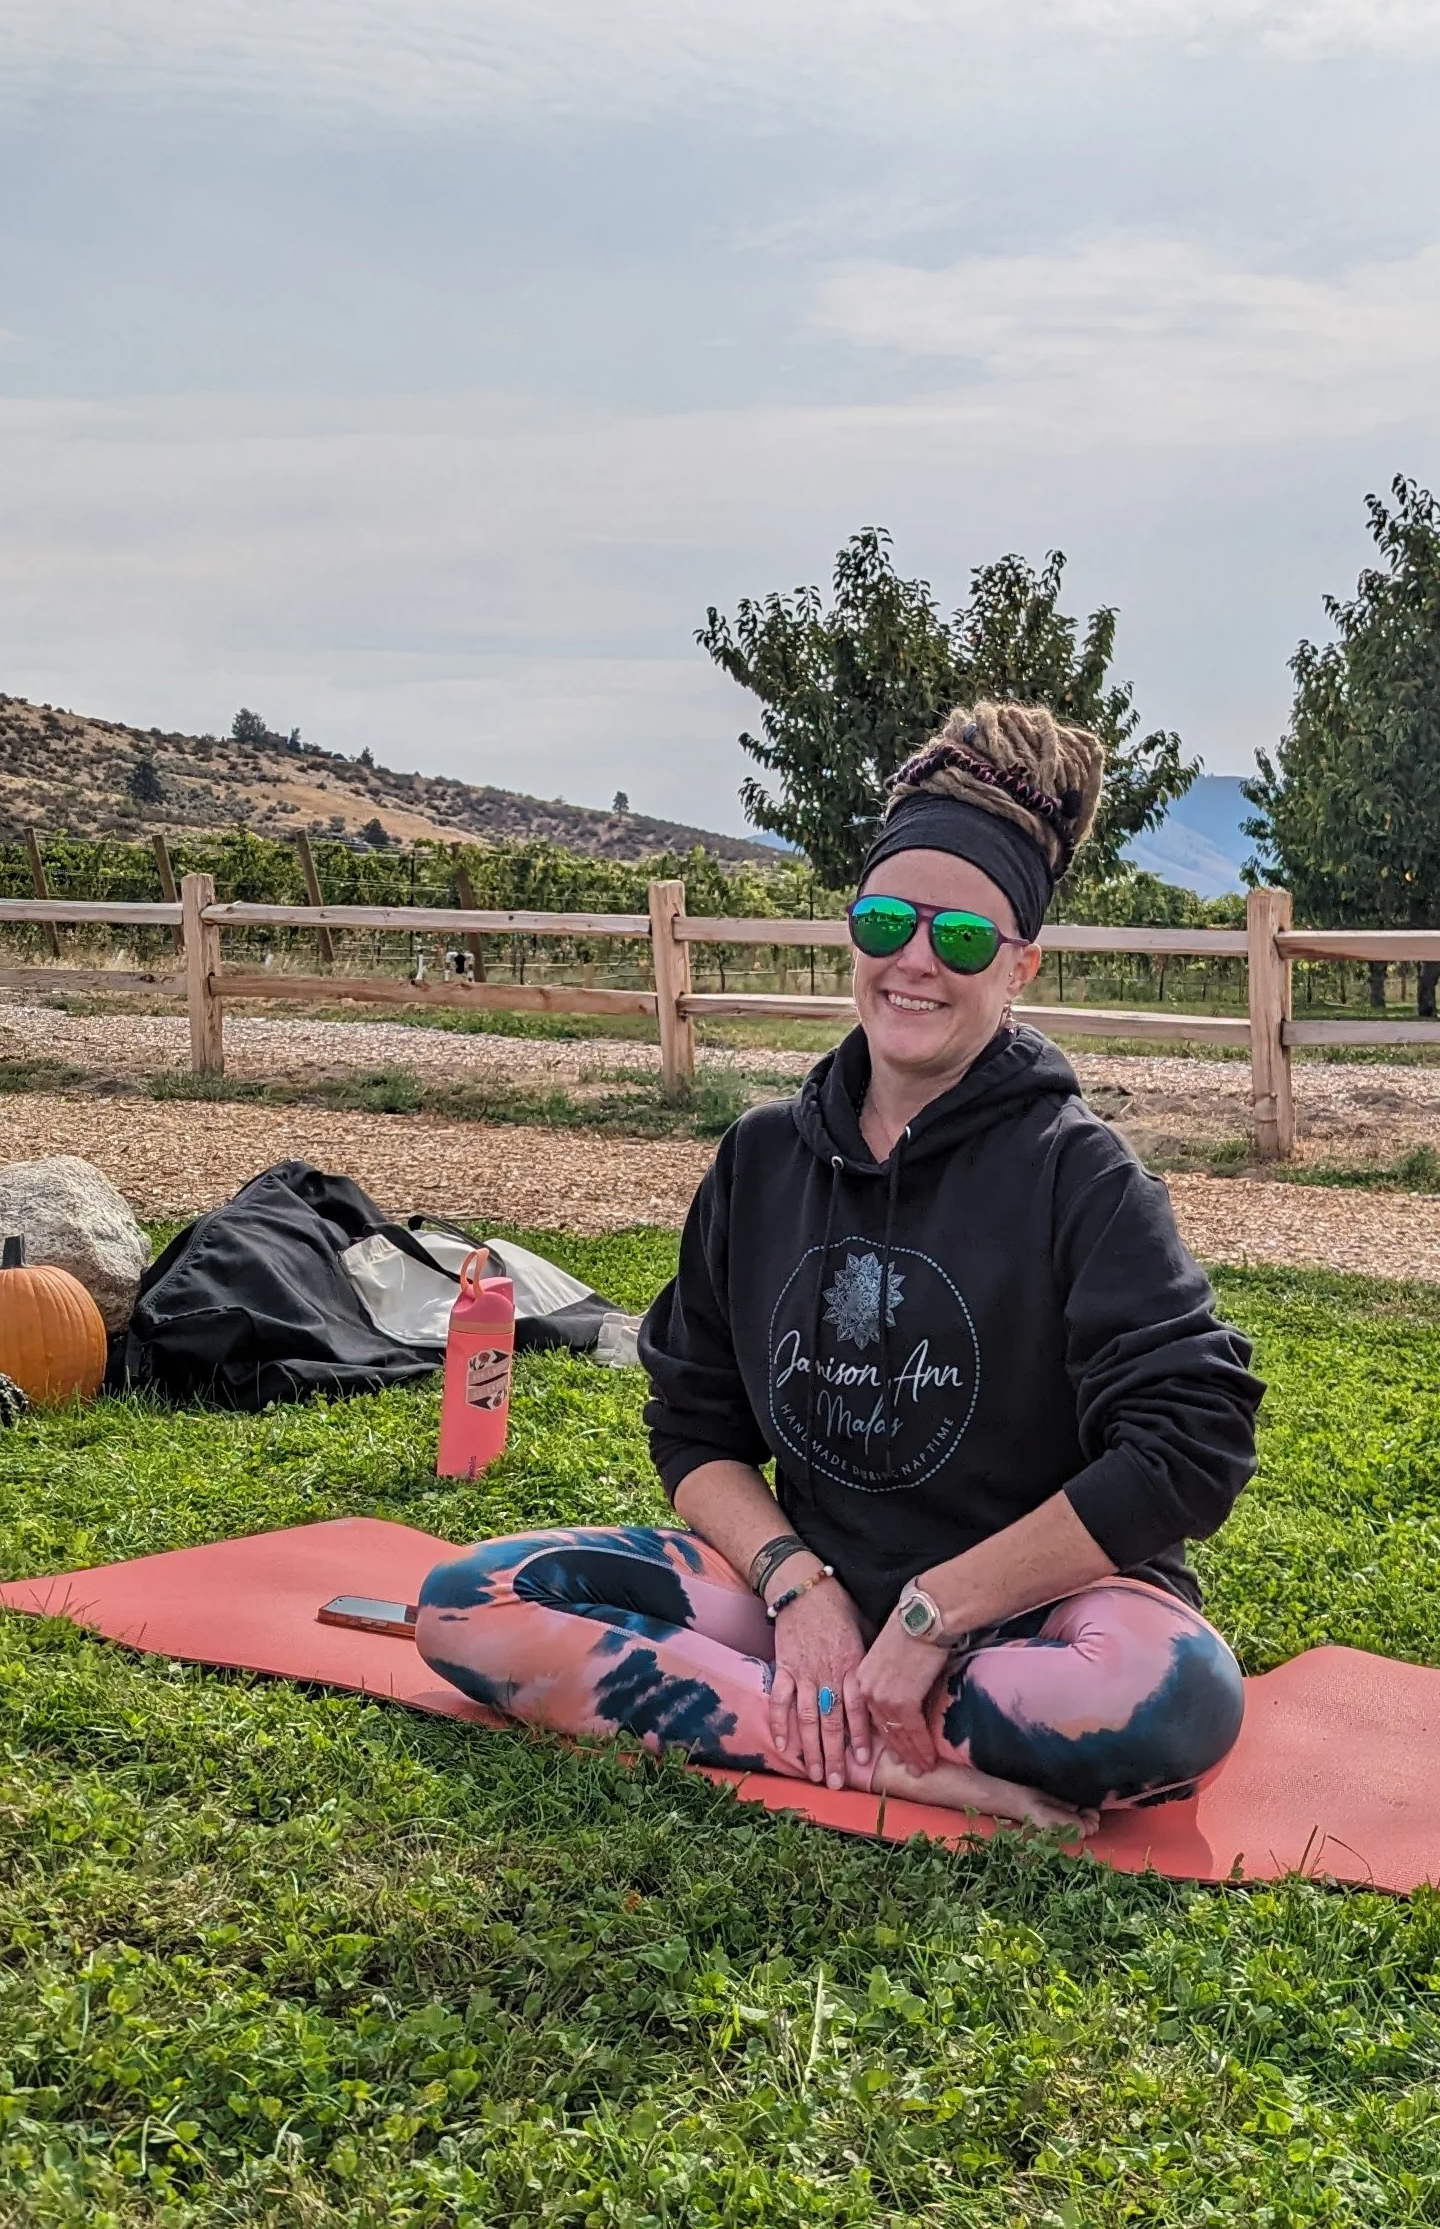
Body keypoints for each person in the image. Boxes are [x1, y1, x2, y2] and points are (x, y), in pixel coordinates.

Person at [413, 701, 1264, 1831]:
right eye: (886, 921)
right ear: (852, 934)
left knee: (1176, 1699)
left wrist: (932, 1616)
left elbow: (1189, 1444)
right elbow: (695, 1430)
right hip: (802, 1610)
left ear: (1021, 967)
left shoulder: (1084, 1176)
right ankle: (878, 1756)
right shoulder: (762, 1158)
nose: (916, 961)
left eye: (963, 940)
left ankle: (805, 1718)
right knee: (468, 1604)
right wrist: (796, 1583)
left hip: (1030, 1626)